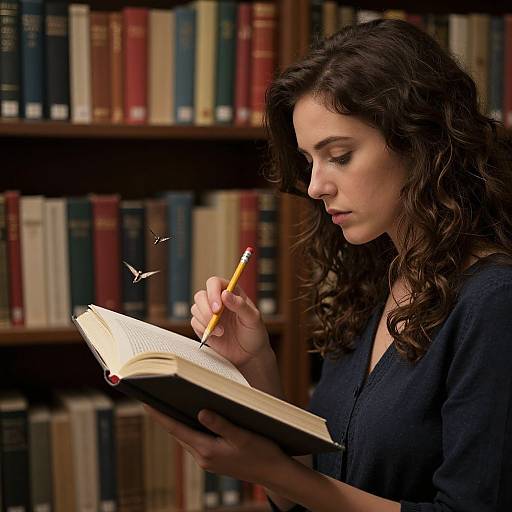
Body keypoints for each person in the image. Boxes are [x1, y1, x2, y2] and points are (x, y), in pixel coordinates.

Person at [145, 19, 512, 511]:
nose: (315, 187)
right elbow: (315, 492)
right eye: (308, 161)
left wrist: (268, 469)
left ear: (422, 143)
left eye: (338, 156)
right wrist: (258, 369)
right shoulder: (376, 280)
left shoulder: (494, 303)